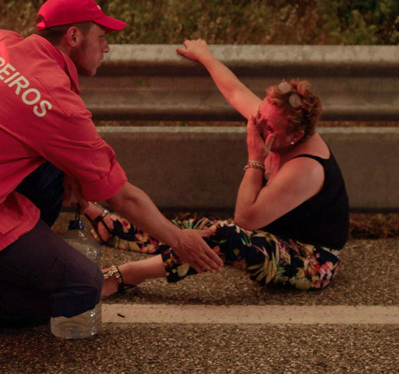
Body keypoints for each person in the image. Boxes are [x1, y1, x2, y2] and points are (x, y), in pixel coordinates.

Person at [0, 0, 223, 364]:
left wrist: (67, 169)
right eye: (102, 37)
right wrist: (179, 240)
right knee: (83, 287)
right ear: (73, 37)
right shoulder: (55, 102)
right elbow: (121, 197)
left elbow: (19, 124)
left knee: (52, 172)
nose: (107, 48)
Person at [88, 39, 349, 297]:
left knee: (226, 235)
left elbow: (245, 220)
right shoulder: (270, 120)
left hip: (310, 260)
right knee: (198, 228)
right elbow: (235, 91)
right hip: (272, 235)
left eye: (269, 128)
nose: (258, 125)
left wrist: (255, 158)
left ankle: (124, 275)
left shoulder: (306, 168)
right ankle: (113, 228)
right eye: (259, 115)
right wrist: (206, 57)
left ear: (296, 135)